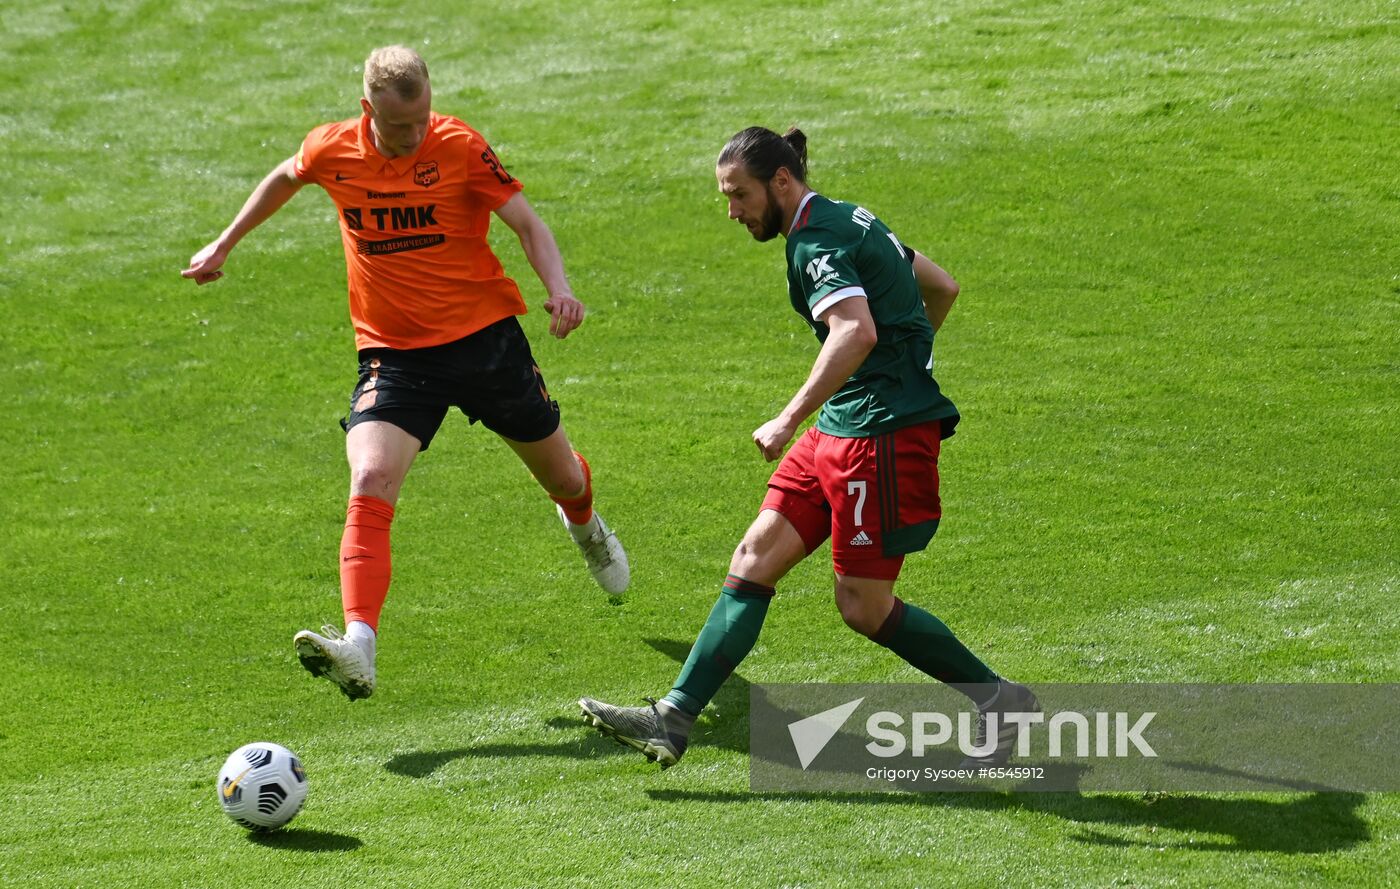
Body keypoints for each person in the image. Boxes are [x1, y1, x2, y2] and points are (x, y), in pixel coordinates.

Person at [580, 126, 1035, 768]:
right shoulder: (849, 218)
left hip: (877, 435)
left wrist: (791, 417)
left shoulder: (815, 242)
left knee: (862, 606)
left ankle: (1000, 700)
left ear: (782, 182)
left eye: (739, 196)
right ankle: (673, 718)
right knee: (756, 552)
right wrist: (910, 361)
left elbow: (854, 329)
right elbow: (942, 287)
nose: (733, 212)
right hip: (851, 420)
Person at [183, 45, 628, 701]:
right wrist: (225, 242)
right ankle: (358, 644)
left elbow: (527, 224)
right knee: (369, 473)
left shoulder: (458, 146)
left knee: (562, 475)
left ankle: (587, 527)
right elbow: (287, 173)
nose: (415, 135)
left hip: (484, 342)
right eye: (398, 128)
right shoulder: (332, 149)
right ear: (367, 111)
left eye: (421, 119)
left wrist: (559, 288)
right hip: (395, 353)